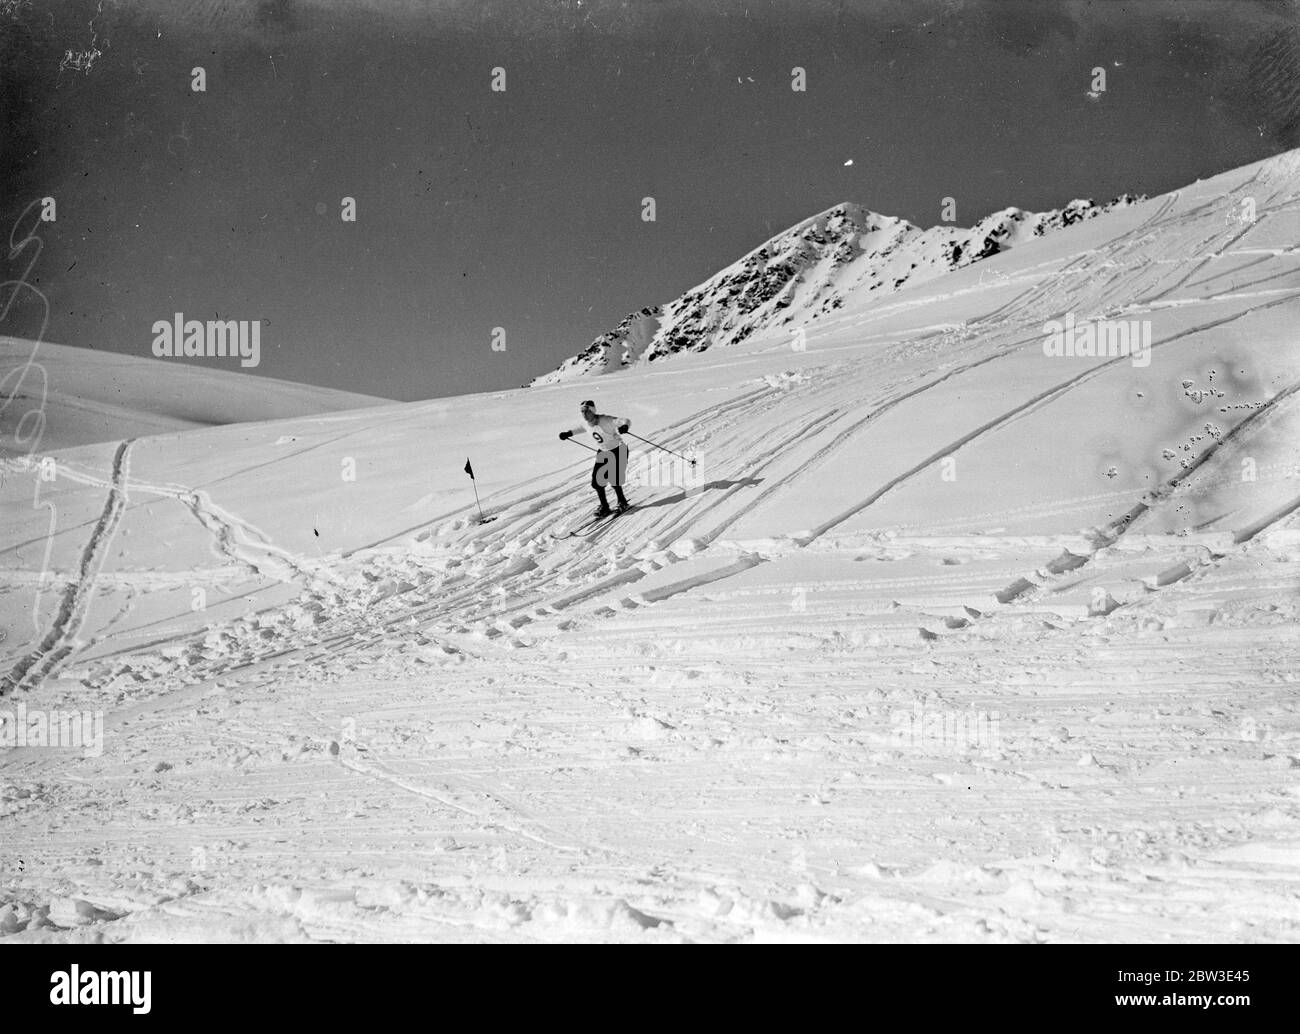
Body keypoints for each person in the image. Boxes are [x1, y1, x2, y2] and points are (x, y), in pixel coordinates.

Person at [559, 399, 632, 516]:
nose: (584, 414)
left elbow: (625, 420)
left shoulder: (605, 420)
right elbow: (580, 428)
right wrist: (568, 433)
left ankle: (622, 502)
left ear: (593, 411)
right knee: (596, 482)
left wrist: (624, 426)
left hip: (619, 450)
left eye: (587, 411)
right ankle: (605, 506)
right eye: (582, 412)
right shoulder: (586, 423)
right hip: (603, 452)